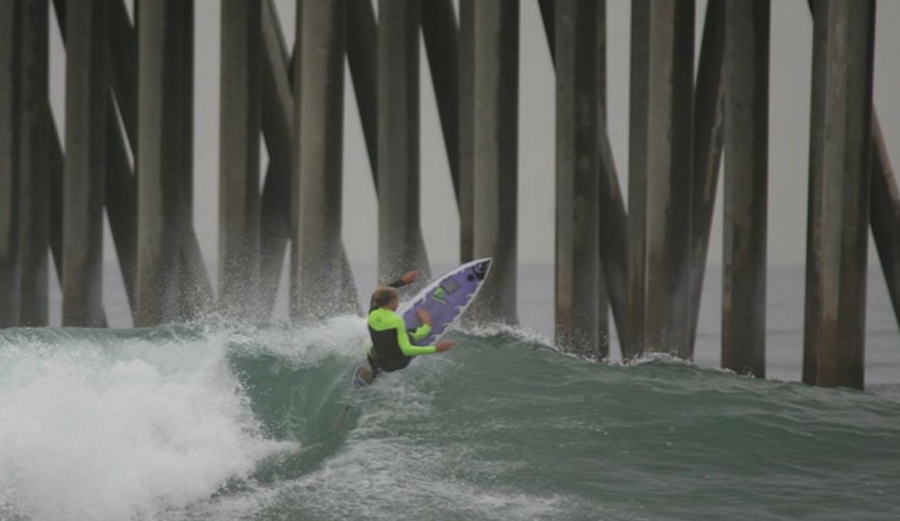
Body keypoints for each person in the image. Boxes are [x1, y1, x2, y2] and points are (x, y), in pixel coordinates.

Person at [354, 270, 455, 387]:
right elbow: (407, 349)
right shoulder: (396, 321)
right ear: (392, 302)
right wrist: (435, 348)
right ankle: (427, 327)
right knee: (410, 334)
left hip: (379, 359)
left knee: (372, 346)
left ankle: (373, 373)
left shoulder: (373, 312)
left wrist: (403, 281)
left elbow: (376, 294)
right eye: (397, 299)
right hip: (397, 363)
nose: (398, 302)